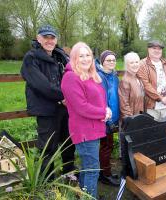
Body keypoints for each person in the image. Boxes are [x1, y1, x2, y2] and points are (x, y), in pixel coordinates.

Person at [20, 25, 76, 180]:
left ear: (56, 39)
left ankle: (69, 171)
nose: (49, 41)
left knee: (68, 141)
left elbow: (73, 75)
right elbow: (41, 85)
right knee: (47, 146)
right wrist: (63, 97)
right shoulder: (31, 57)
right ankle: (47, 180)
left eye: (52, 37)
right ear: (38, 38)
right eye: (46, 37)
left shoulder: (60, 56)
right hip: (46, 109)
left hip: (65, 108)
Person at [61, 42, 111, 198]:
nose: (85, 59)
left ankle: (84, 195)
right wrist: (103, 112)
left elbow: (97, 99)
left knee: (88, 168)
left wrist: (106, 109)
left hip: (94, 129)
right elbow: (81, 107)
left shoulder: (90, 76)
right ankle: (90, 197)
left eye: (88, 55)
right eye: (80, 56)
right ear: (74, 58)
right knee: (92, 170)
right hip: (84, 131)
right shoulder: (70, 77)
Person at [95, 50, 120, 186]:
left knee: (108, 145)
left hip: (114, 117)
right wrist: (108, 120)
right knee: (106, 146)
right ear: (102, 61)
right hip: (105, 119)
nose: (111, 62)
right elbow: (101, 100)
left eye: (113, 60)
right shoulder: (100, 76)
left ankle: (104, 171)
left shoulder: (114, 76)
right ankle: (105, 175)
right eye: (108, 60)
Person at [137, 40, 166, 120]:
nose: (157, 51)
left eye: (159, 49)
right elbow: (145, 85)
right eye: (154, 48)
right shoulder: (142, 64)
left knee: (164, 130)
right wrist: (161, 98)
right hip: (151, 107)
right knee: (151, 131)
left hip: (165, 106)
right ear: (148, 49)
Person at [119, 52, 144, 118]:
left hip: (139, 116)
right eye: (131, 63)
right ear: (127, 65)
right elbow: (124, 105)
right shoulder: (125, 81)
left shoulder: (138, 77)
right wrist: (131, 120)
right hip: (131, 119)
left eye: (136, 62)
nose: (135, 64)